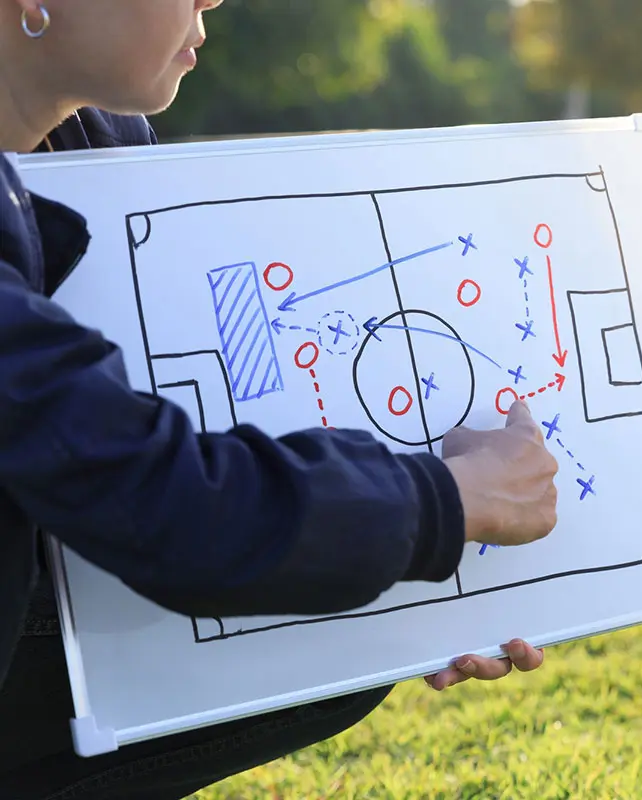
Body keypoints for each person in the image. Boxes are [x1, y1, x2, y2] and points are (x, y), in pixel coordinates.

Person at [0, 0, 560, 796]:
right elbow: (157, 499)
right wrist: (445, 501)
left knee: (330, 604)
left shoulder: (105, 154)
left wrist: (414, 585)